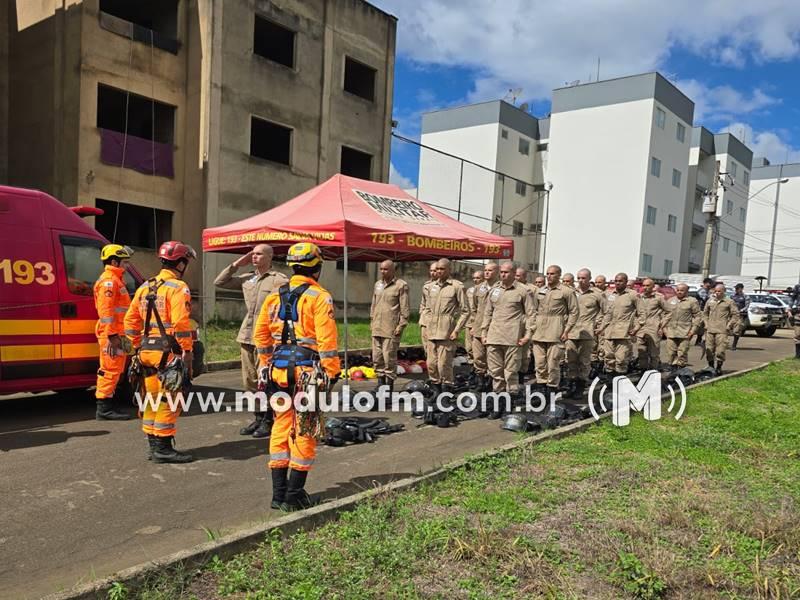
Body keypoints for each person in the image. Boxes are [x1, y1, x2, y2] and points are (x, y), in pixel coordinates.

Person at [253, 242, 340, 512]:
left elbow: (260, 336)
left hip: (278, 371)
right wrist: (331, 372)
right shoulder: (318, 296)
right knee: (304, 427)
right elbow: (327, 340)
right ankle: (294, 494)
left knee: (280, 426)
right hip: (306, 373)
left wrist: (266, 364)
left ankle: (278, 495)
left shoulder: (274, 295)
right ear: (317, 267)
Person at [124, 241, 197, 463]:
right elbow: (181, 324)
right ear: (181, 263)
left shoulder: (145, 286)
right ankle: (163, 448)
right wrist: (187, 352)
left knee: (151, 399)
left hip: (146, 352)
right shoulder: (178, 287)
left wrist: (136, 345)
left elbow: (129, 321)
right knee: (169, 400)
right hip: (168, 354)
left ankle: (153, 445)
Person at [214, 244, 288, 438]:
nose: (254, 257)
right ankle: (258, 416)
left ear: (270, 257)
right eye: (252, 254)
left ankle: (269, 419)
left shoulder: (278, 280)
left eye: (258, 254)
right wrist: (237, 263)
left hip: (268, 337)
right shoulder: (248, 278)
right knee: (249, 380)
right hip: (247, 334)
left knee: (267, 380)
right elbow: (219, 282)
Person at [481, 261, 536, 415]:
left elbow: (531, 314)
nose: (503, 274)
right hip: (494, 336)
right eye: (502, 272)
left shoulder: (523, 291)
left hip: (513, 338)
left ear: (513, 273)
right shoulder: (494, 290)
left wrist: (528, 335)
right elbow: (488, 313)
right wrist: (484, 333)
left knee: (510, 372)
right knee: (495, 372)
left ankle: (509, 404)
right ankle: (498, 404)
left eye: (506, 272)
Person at [93, 244, 135, 421]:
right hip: (113, 335)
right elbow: (106, 312)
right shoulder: (109, 282)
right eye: (125, 262)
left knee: (116, 369)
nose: (127, 266)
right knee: (110, 370)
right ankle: (104, 408)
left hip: (118, 334)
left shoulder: (116, 279)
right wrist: (111, 336)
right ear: (114, 261)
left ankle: (108, 405)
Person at [421, 259, 469, 394]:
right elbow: (426, 307)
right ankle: (435, 389)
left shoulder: (456, 286)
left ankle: (446, 391)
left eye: (442, 269)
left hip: (446, 331)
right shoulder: (431, 287)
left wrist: (457, 330)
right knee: (431, 364)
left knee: (444, 365)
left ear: (449, 269)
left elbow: (465, 311)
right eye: (437, 269)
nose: (439, 272)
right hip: (431, 330)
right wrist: (425, 326)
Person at [531, 265, 578, 394]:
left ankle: (552, 389)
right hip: (539, 331)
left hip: (556, 331)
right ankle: (541, 388)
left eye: (552, 274)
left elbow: (574, 312)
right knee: (540, 363)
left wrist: (567, 330)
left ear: (559, 275)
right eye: (547, 273)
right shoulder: (540, 291)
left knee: (553, 364)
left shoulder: (566, 291)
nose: (549, 276)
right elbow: (533, 310)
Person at [369, 260, 410, 394]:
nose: (382, 272)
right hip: (377, 327)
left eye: (386, 269)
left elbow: (405, 308)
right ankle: (380, 385)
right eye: (381, 269)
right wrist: (372, 319)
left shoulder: (400, 285)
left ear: (393, 270)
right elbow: (374, 304)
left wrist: (401, 325)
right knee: (377, 357)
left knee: (389, 358)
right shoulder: (378, 284)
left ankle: (389, 389)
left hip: (391, 328)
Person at [565, 268, 605, 397]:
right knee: (570, 359)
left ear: (589, 279)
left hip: (587, 333)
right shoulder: (571, 293)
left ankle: (580, 388)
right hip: (571, 332)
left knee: (584, 361)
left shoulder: (597, 294)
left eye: (583, 278)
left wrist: (601, 326)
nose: (581, 281)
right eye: (579, 278)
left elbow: (608, 312)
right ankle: (571, 385)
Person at [600, 273, 644, 378]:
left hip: (624, 333)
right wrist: (601, 328)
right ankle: (610, 380)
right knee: (609, 357)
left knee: (621, 359)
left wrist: (636, 328)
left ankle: (620, 380)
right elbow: (607, 314)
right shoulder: (611, 295)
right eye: (616, 281)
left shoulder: (633, 295)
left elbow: (642, 314)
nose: (617, 283)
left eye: (620, 281)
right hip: (609, 332)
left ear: (626, 282)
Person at [471, 262, 499, 391]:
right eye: (485, 270)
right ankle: (481, 380)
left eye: (490, 270)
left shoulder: (500, 288)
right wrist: (473, 324)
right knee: (478, 356)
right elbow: (474, 308)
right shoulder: (479, 288)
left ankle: (491, 381)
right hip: (479, 327)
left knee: (493, 357)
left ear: (497, 272)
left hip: (495, 328)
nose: (487, 272)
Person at [660, 283, 701, 369]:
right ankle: (672, 369)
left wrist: (693, 331)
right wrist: (664, 329)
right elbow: (664, 315)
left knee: (682, 353)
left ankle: (680, 370)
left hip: (685, 332)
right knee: (671, 353)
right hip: (671, 332)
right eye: (677, 290)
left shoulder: (692, 301)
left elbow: (697, 316)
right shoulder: (670, 300)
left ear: (686, 291)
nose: (679, 292)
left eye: (682, 290)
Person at [703, 283, 740, 374]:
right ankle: (711, 367)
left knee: (720, 351)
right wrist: (706, 323)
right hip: (710, 330)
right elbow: (705, 313)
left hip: (722, 330)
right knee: (709, 350)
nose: (717, 293)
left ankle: (719, 367)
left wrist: (729, 325)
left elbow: (735, 315)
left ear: (724, 291)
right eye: (716, 291)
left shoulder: (729, 302)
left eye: (719, 291)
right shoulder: (710, 301)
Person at [637, 278, 667, 370]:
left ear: (653, 287)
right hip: (640, 329)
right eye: (644, 285)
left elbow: (669, 311)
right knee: (641, 352)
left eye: (647, 285)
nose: (645, 287)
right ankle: (643, 372)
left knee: (654, 353)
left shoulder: (659, 298)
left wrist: (662, 325)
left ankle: (653, 372)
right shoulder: (639, 298)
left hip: (653, 328)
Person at [464, 269, 484, 379]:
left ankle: (480, 372)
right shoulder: (470, 291)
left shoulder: (486, 290)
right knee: (469, 348)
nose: (476, 280)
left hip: (479, 323)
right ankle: (472, 367)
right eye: (474, 278)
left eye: (478, 278)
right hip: (469, 322)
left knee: (479, 351)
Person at [418, 262, 438, 364]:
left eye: (435, 270)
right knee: (426, 345)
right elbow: (423, 302)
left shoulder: (448, 286)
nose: (433, 273)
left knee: (436, 347)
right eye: (431, 271)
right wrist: (422, 313)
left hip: (438, 320)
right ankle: (431, 370)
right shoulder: (426, 285)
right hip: (425, 320)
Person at [695, 277, 714, 347]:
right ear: (706, 283)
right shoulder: (702, 291)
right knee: (698, 326)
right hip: (701, 311)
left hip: (704, 311)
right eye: (710, 283)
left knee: (702, 327)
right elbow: (706, 299)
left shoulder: (707, 291)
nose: (711, 285)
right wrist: (712, 296)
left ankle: (698, 341)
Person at [729, 283, 750, 350]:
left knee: (736, 331)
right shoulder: (732, 296)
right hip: (731, 315)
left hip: (740, 316)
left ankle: (734, 345)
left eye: (737, 288)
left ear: (741, 289)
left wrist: (740, 311)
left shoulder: (745, 296)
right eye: (735, 288)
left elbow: (746, 306)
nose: (736, 289)